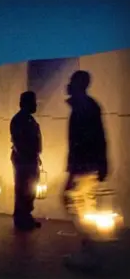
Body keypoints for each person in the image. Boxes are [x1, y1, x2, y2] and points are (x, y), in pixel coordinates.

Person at [62, 71, 108, 269]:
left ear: (79, 84)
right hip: (89, 167)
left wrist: (73, 173)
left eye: (72, 81)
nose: (68, 84)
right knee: (84, 208)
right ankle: (91, 252)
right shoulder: (90, 106)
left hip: (83, 168)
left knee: (80, 208)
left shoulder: (83, 108)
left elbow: (82, 143)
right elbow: (100, 138)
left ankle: (90, 254)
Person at [10, 91, 42, 230]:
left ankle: (26, 216)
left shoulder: (28, 119)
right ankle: (21, 218)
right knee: (23, 189)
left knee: (29, 190)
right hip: (24, 160)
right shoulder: (19, 119)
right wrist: (29, 157)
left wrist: (36, 156)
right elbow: (19, 142)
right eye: (34, 101)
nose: (36, 104)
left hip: (30, 159)